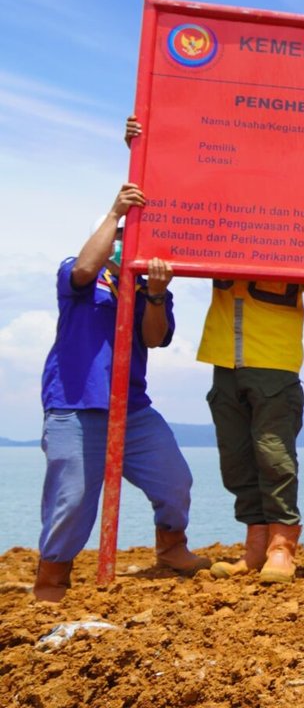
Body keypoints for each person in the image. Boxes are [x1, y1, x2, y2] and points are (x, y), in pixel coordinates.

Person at [125, 116, 304, 585]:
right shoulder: (224, 220)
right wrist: (145, 150)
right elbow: (172, 199)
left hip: (275, 365)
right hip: (225, 361)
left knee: (274, 457)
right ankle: (255, 548)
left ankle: (284, 547)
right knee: (237, 457)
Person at [34, 183, 208, 602]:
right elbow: (81, 271)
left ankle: (171, 548)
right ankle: (53, 579)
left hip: (131, 408)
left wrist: (156, 293)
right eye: (117, 237)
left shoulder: (148, 286)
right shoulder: (78, 273)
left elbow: (153, 337)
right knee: (71, 498)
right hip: (75, 406)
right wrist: (114, 214)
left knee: (174, 480)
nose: (121, 245)